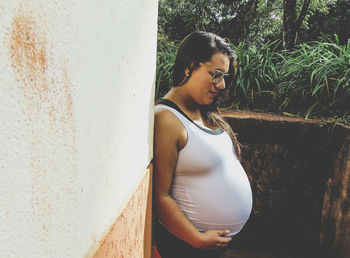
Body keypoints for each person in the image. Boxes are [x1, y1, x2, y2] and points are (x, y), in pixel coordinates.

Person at [153, 31, 252, 258]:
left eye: (224, 76)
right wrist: (196, 239)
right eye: (215, 74)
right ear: (190, 66)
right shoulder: (167, 119)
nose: (221, 84)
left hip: (209, 246)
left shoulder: (202, 113)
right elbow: (160, 197)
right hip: (187, 246)